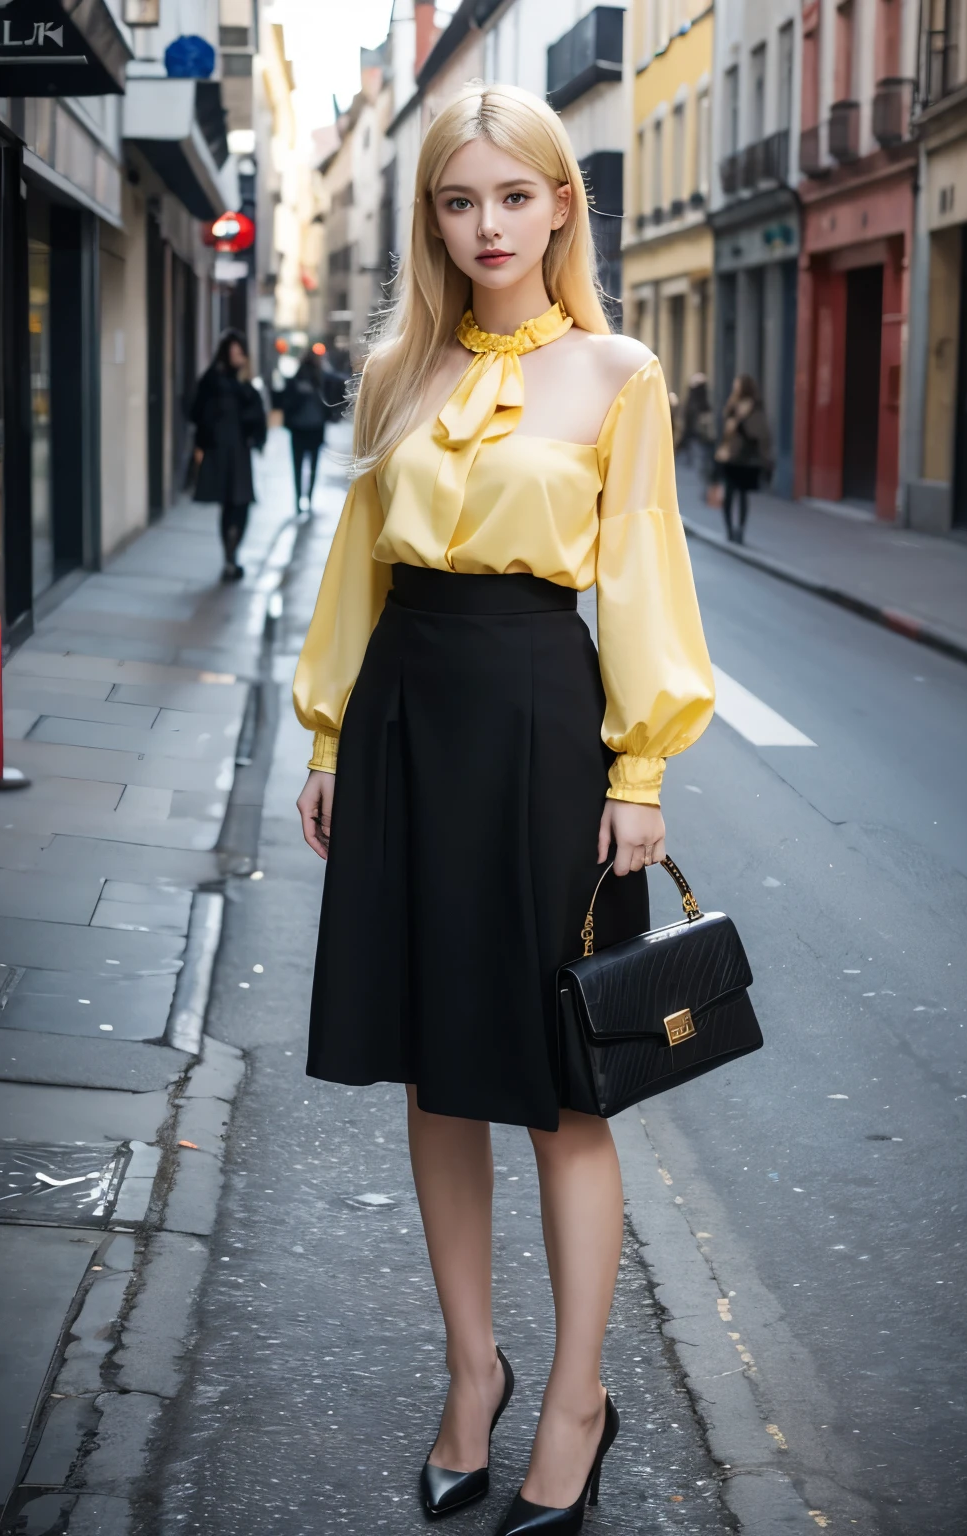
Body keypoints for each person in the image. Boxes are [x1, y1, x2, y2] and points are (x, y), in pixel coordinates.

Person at [293, 82, 714, 1536]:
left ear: (560, 206)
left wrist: (642, 771)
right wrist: (330, 735)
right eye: (458, 201)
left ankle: (576, 1402)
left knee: (560, 1088)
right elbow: (357, 572)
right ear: (435, 217)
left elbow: (649, 567)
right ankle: (473, 1376)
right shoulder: (398, 368)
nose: (486, 226)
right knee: (433, 1073)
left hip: (548, 723)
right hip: (406, 716)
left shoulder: (619, 371)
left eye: (512, 197)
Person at [190, 330, 267, 580]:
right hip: (220, 451)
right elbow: (196, 413)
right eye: (233, 352)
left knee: (241, 504)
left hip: (240, 452)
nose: (237, 357)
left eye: (240, 353)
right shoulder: (213, 381)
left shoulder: (246, 385)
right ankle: (230, 559)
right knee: (229, 504)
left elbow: (258, 415)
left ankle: (232, 555)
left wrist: (255, 437)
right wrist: (202, 444)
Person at [713, 374, 771, 544]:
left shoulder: (754, 407)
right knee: (729, 495)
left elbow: (759, 433)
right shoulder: (732, 404)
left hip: (746, 457)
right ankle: (730, 529)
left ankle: (740, 530)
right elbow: (725, 428)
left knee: (742, 495)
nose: (735, 386)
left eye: (737, 384)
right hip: (729, 456)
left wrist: (741, 427)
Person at [283, 348, 332, 513]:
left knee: (297, 466)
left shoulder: (298, 378)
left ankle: (299, 500)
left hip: (299, 429)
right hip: (314, 429)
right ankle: (308, 498)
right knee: (312, 467)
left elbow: (287, 402)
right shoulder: (320, 378)